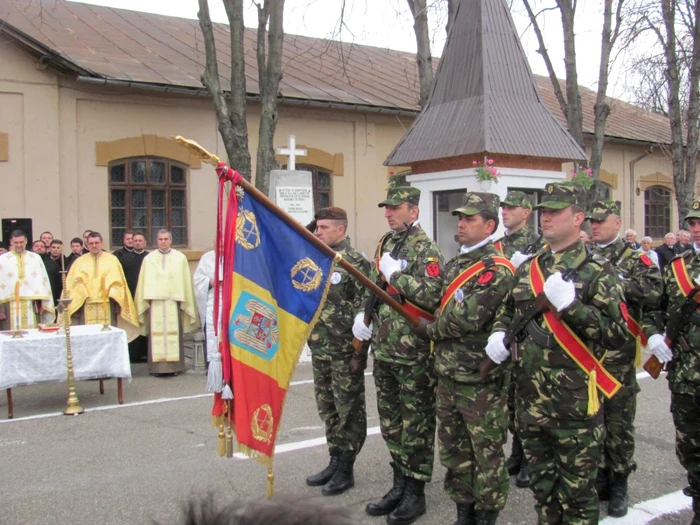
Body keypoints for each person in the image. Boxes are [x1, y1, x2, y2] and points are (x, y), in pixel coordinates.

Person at [490, 183, 628, 524]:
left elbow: (617, 335)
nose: (546, 218)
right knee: (543, 492)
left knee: (578, 499)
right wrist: (497, 333)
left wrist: (572, 306)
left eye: (555, 211)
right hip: (530, 402)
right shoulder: (529, 269)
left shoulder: (597, 270)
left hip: (574, 407)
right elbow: (508, 310)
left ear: (578, 218)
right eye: (543, 212)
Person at [415, 192, 515, 525]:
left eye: (469, 219)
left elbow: (465, 318)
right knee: (454, 449)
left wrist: (428, 329)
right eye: (460, 217)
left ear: (489, 225)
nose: (461, 223)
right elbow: (436, 298)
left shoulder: (495, 268)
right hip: (448, 373)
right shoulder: (458, 261)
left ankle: (487, 514)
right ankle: (464, 510)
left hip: (479, 378)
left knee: (485, 452)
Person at [352, 184, 444, 525]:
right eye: (386, 208)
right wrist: (362, 319)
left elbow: (433, 295)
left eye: (395, 208)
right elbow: (376, 287)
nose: (388, 213)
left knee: (415, 424)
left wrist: (398, 275)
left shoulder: (426, 250)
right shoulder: (386, 244)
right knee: (391, 423)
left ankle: (415, 492)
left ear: (413, 211)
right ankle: (399, 482)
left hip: (415, 354)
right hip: (386, 350)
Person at [587, 201, 663, 517]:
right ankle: (600, 477)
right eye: (592, 221)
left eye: (601, 221)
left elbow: (653, 290)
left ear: (617, 223)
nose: (595, 226)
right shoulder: (583, 256)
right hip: (586, 353)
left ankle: (619, 481)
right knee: (592, 422)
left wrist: (613, 282)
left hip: (617, 354)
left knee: (618, 423)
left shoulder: (635, 257)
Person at [304, 207, 370, 496]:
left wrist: (360, 353)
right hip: (320, 348)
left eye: (324, 228)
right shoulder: (316, 259)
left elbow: (366, 308)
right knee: (327, 407)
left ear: (340, 230)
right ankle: (335, 458)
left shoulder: (355, 263)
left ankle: (347, 468)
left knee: (349, 411)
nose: (318, 232)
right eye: (317, 227)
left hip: (345, 351)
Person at [650, 199, 700, 525]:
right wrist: (654, 334)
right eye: (693, 224)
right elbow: (655, 307)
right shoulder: (677, 267)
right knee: (691, 446)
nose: (696, 229)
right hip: (685, 376)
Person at [494, 190, 539, 488]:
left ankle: (529, 459)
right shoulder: (496, 244)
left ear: (526, 212)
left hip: (527, 329)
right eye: (503, 208)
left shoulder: (539, 244)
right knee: (508, 397)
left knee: (527, 397)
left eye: (511, 208)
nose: (504, 212)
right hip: (501, 325)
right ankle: (516, 451)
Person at [135, 229, 199, 375]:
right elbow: (144, 281)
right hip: (155, 303)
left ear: (171, 240)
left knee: (174, 334)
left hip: (173, 302)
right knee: (156, 335)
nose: (163, 242)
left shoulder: (180, 258)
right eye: (160, 239)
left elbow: (185, 282)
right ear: (156, 241)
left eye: (165, 239)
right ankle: (156, 369)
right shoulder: (149, 259)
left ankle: (175, 367)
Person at [65, 231, 139, 338]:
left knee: (108, 335)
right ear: (86, 244)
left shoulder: (112, 260)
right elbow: (73, 284)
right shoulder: (79, 262)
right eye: (91, 243)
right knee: (87, 336)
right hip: (86, 305)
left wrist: (117, 299)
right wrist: (76, 301)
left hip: (107, 305)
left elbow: (119, 283)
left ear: (102, 243)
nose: (94, 245)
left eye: (96, 242)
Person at [0, 230, 55, 330]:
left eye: (21, 242)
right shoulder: (2, 260)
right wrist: (1, 309)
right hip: (9, 305)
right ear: (11, 242)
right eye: (16, 243)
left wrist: (43, 303)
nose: (19, 245)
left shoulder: (35, 258)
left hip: (31, 304)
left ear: (26, 241)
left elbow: (43, 282)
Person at [116, 232, 149, 361]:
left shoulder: (149, 258)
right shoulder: (124, 259)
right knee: (131, 324)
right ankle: (133, 354)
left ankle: (146, 352)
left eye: (140, 240)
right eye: (135, 240)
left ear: (145, 242)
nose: (137, 242)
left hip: (145, 297)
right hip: (130, 296)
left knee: (144, 324)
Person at [43, 239, 66, 303]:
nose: (56, 249)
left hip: (60, 292)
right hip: (48, 290)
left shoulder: (65, 262)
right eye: (53, 247)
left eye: (58, 248)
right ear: (50, 248)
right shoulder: (44, 261)